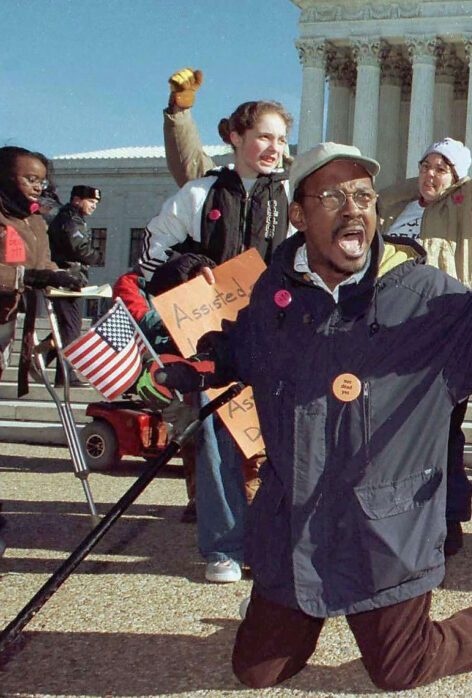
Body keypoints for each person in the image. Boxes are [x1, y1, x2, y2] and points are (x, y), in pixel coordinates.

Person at [156, 142, 472, 691]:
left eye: (362, 194)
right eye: (332, 195)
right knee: (257, 672)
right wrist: (207, 362)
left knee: (401, 669)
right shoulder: (273, 293)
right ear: (299, 213)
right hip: (295, 528)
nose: (353, 206)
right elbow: (248, 344)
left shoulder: (420, 293)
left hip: (384, 533)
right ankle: (288, 607)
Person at [140, 96, 294, 584]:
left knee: (283, 439)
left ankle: (275, 542)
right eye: (264, 137)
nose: (274, 148)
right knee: (215, 437)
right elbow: (151, 252)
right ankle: (224, 547)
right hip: (210, 337)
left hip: (279, 334)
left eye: (282, 139)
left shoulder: (295, 195)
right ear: (236, 137)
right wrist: (180, 266)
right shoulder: (198, 194)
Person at [373, 107, 472, 556]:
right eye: (425, 165)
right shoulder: (393, 206)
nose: (430, 174)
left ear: (457, 177)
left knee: (442, 431)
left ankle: (447, 519)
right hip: (386, 335)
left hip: (440, 330)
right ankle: (394, 515)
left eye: (441, 168)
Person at [0, 146, 86, 558]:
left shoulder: (34, 220)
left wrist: (57, 274)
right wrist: (27, 275)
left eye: (40, 179)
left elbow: (43, 260)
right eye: (27, 178)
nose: (37, 185)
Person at [46, 185, 103, 386]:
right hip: (67, 279)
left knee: (64, 327)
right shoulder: (71, 220)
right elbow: (77, 247)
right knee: (71, 328)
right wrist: (96, 255)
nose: (94, 206)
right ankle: (65, 376)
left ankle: (44, 356)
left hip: (68, 278)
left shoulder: (71, 218)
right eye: (91, 202)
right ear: (77, 200)